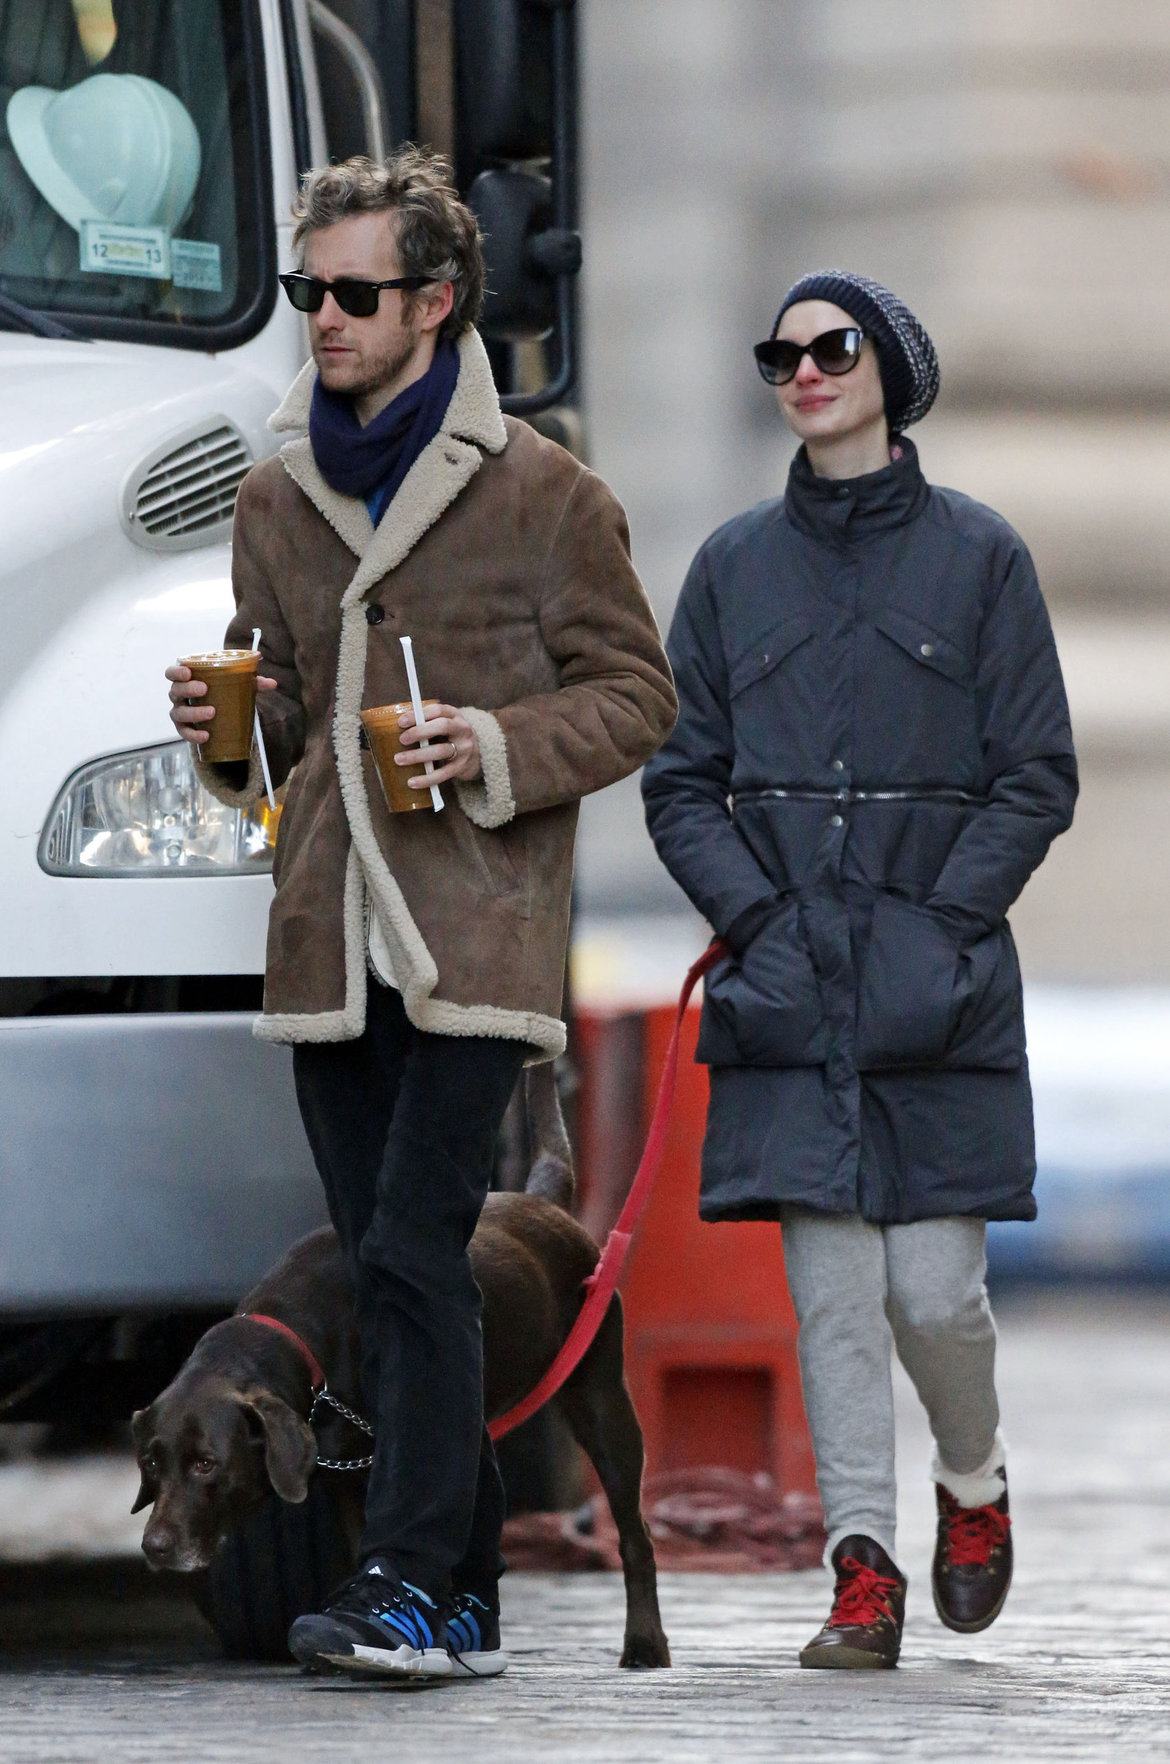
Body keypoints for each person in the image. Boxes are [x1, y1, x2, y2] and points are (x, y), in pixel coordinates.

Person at [166, 148, 676, 1682]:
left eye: (352, 292)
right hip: (329, 939)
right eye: (305, 289)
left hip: (474, 937)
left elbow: (638, 695)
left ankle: (404, 1577)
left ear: (437, 303)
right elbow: (267, 750)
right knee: (397, 1266)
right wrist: (215, 724)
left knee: (406, 1250)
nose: (321, 315)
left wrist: (497, 747)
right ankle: (455, 1603)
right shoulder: (273, 496)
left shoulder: (547, 496)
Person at [641, 270, 1076, 1670]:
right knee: (829, 1298)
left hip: (930, 978)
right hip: (786, 978)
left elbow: (1035, 776)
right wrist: (756, 922)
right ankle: (859, 1569)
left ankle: (972, 1483)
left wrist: (942, 925)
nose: (803, 370)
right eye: (780, 354)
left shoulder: (980, 556)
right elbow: (680, 780)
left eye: (830, 347)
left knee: (935, 1294)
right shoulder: (727, 566)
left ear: (891, 367)